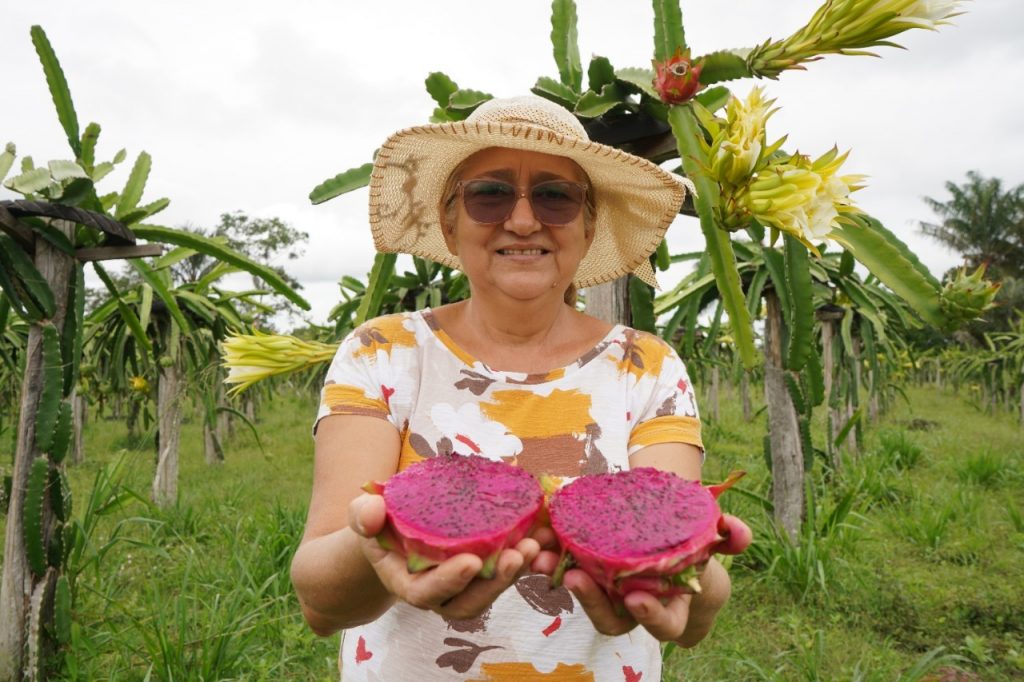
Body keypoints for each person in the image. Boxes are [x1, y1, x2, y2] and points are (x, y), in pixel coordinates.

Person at [291, 95, 752, 681]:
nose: (524, 220)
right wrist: (388, 535)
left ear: (588, 227)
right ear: (450, 220)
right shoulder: (381, 353)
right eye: (490, 194)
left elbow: (692, 620)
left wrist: (693, 562)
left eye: (556, 197)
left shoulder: (647, 366)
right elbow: (319, 604)